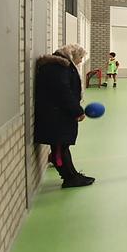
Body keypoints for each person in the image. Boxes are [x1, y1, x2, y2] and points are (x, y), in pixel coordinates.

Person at [34, 44, 94, 188]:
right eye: (80, 58)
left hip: (57, 115)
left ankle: (72, 175)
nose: (80, 62)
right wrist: (77, 111)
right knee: (60, 148)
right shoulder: (58, 68)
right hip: (56, 116)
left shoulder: (59, 66)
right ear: (73, 55)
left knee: (62, 146)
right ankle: (69, 178)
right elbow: (63, 92)